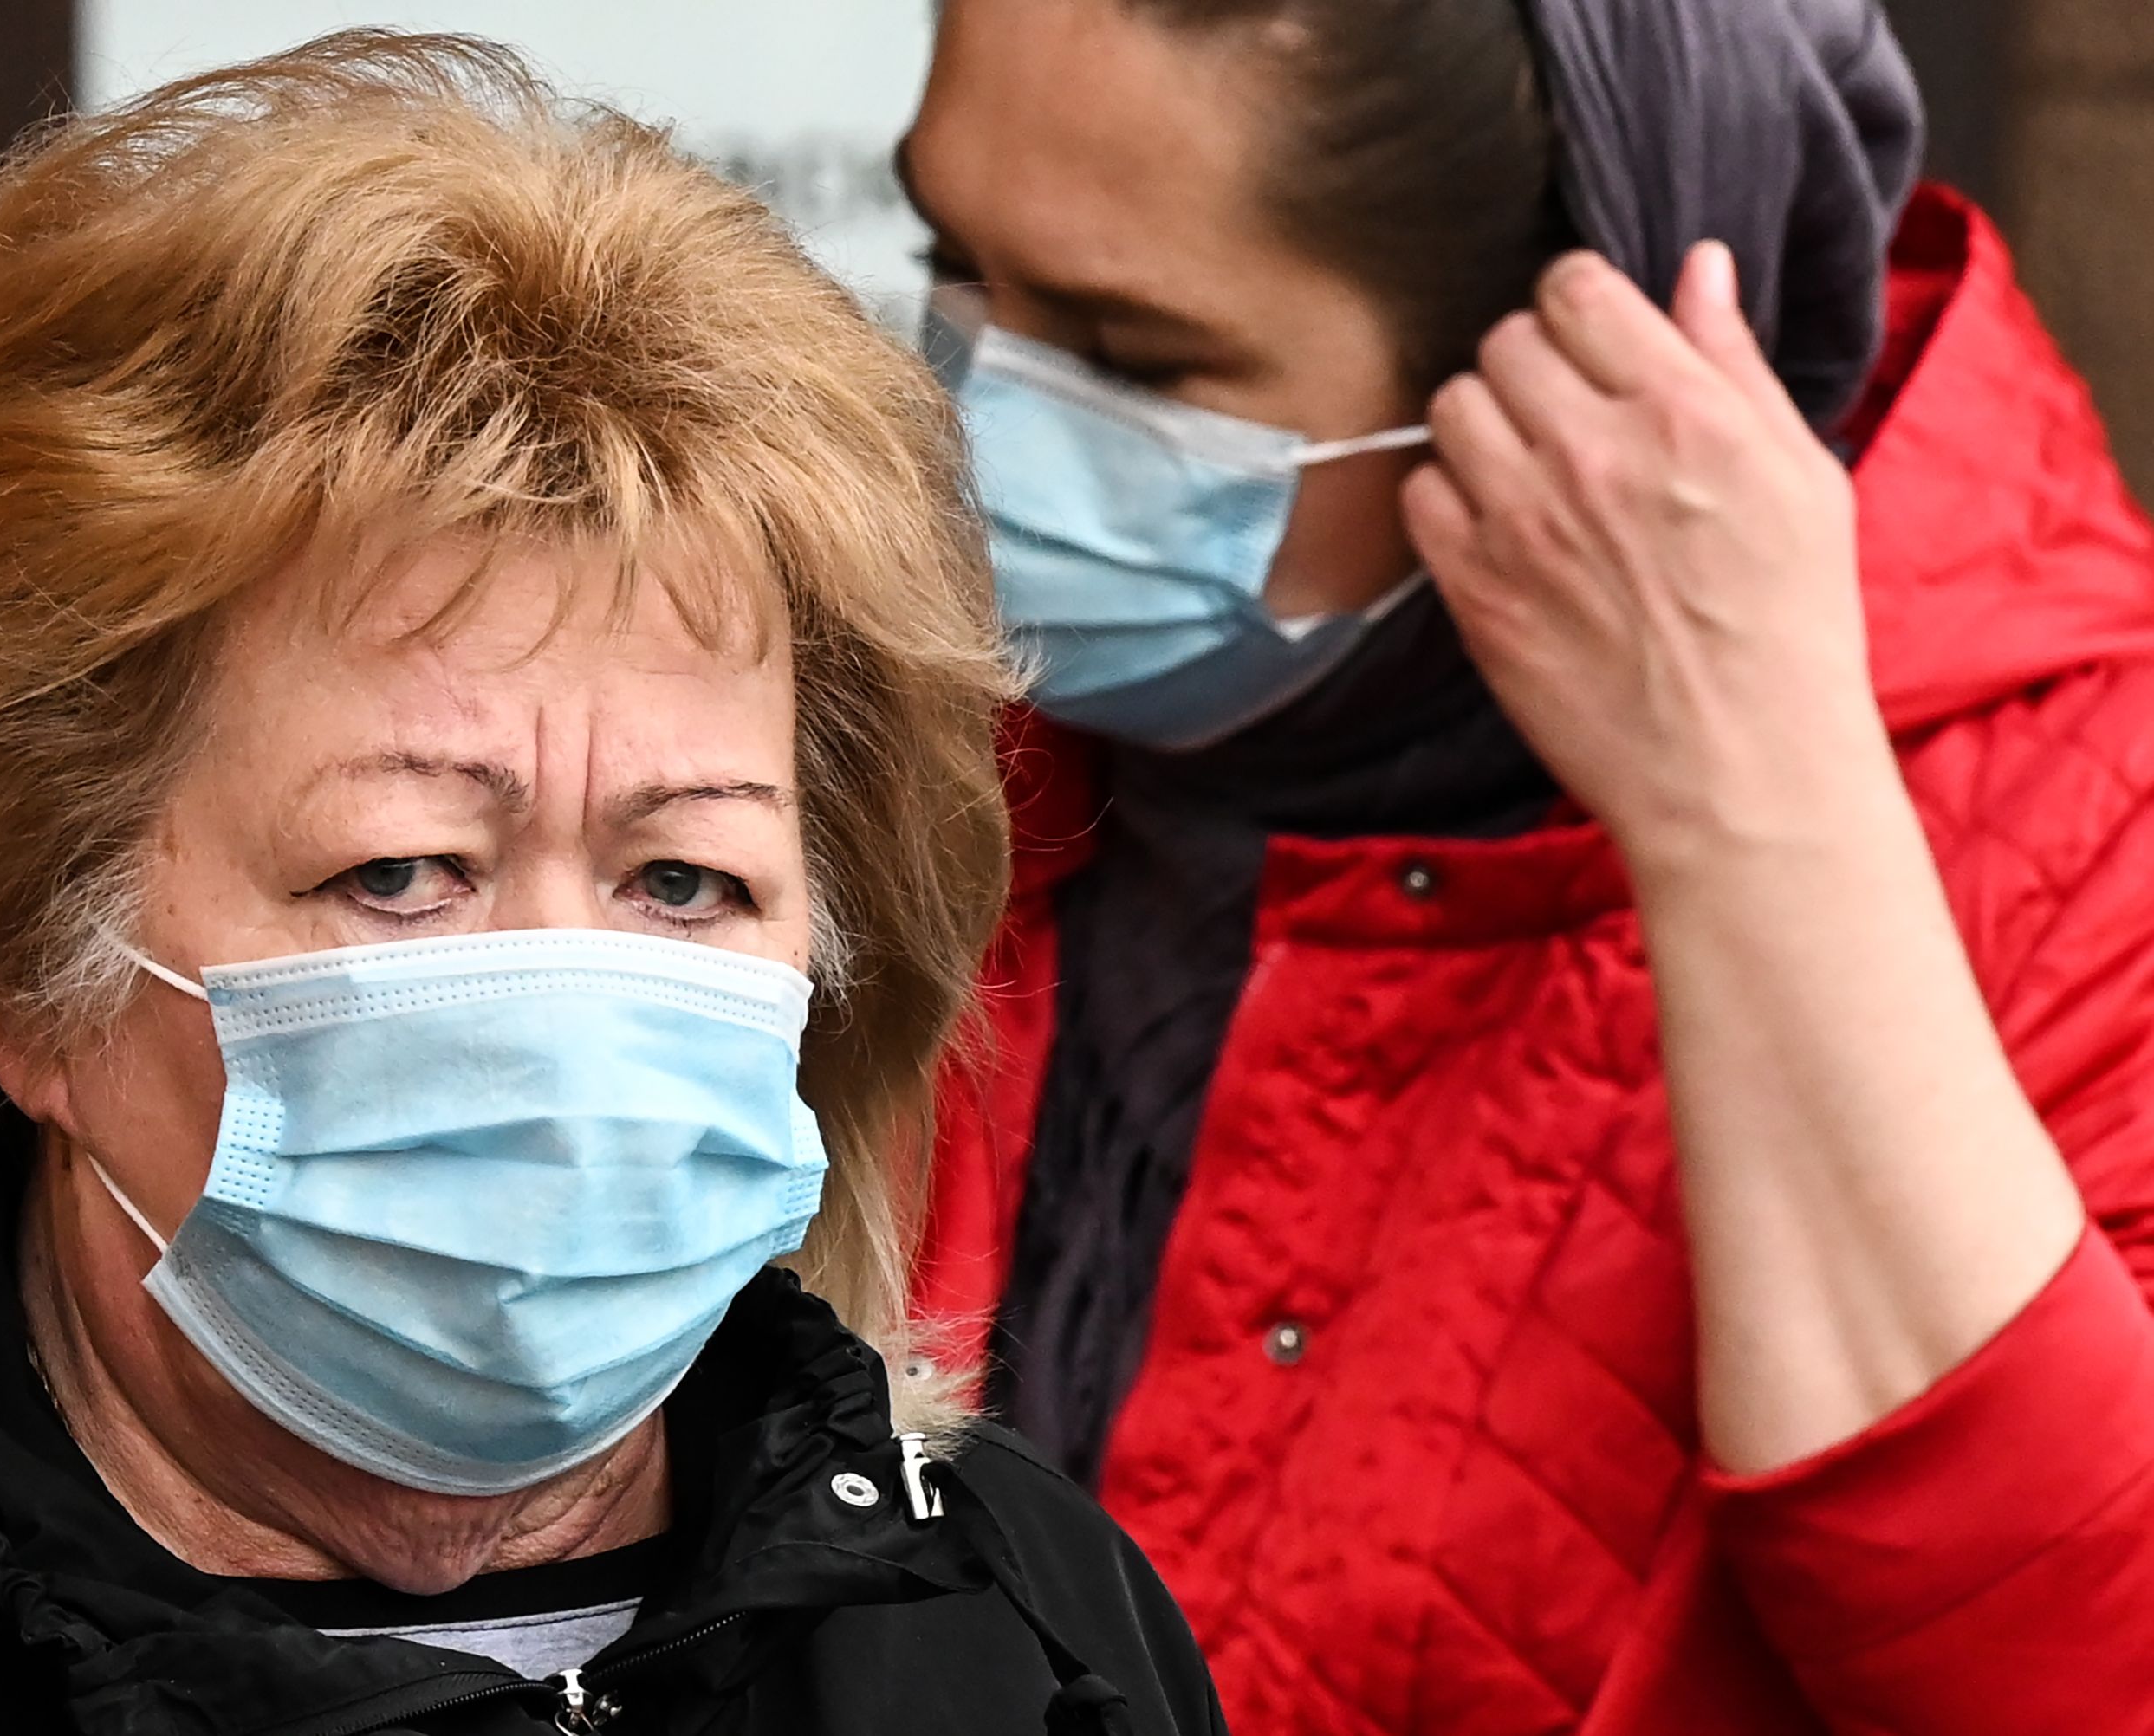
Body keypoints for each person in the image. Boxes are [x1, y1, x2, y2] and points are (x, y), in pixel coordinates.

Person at [0, 34, 1225, 1736]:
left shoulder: (1022, 1635)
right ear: (30, 966)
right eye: (404, 869)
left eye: (683, 879)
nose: (563, 1018)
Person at [904, 0, 2154, 1730]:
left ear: (1576, 374)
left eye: (1132, 363)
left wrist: (1752, 806)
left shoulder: (2087, 829)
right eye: (949, 269)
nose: (979, 440)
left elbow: (2075, 1672)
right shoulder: (927, 736)